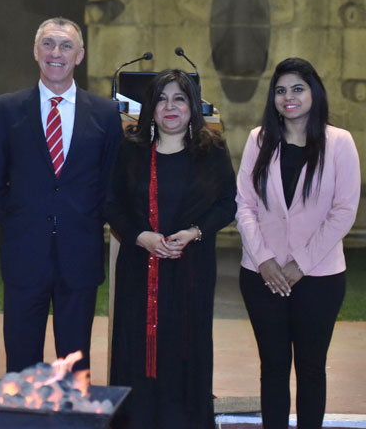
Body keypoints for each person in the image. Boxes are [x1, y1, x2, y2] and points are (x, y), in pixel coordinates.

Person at [0, 17, 122, 374]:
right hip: (24, 256)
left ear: (79, 55)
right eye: (48, 44)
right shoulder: (8, 109)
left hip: (80, 256)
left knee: (74, 367)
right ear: (35, 51)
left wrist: (86, 220)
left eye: (65, 46)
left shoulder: (105, 114)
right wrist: (20, 222)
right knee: (21, 365)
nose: (56, 53)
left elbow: (113, 183)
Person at [105, 69, 236, 428]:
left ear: (192, 106)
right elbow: (111, 203)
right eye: (161, 99)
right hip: (138, 268)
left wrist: (195, 232)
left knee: (185, 349)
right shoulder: (131, 150)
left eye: (179, 98)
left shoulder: (212, 151)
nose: (170, 107)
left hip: (190, 269)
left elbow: (227, 203)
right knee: (136, 350)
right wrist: (139, 236)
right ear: (151, 107)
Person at [236, 57, 360, 429]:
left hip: (319, 277)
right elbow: (244, 204)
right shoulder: (259, 139)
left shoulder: (339, 142)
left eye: (297, 89)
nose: (288, 97)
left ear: (314, 93)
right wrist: (264, 260)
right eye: (280, 91)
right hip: (261, 276)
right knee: (273, 367)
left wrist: (300, 263)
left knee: (311, 368)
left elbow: (344, 211)